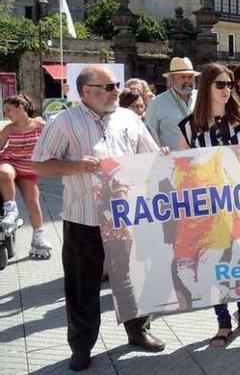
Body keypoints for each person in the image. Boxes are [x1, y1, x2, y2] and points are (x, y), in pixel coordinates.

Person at [31, 66, 166, 371]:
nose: (116, 90)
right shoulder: (64, 122)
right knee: (83, 287)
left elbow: (151, 155)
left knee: (134, 280)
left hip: (127, 215)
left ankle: (138, 332)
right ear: (86, 92)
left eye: (116, 85)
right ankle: (81, 347)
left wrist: (164, 157)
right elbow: (40, 164)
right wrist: (76, 166)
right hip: (85, 218)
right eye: (108, 87)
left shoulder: (129, 118)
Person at [177, 63, 240, 347]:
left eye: (230, 84)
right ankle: (222, 321)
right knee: (215, 263)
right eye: (221, 84)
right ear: (207, 87)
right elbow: (182, 169)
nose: (227, 89)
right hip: (209, 207)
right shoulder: (189, 127)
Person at [0, 94, 51, 258]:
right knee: (4, 172)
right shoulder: (8, 128)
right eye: (4, 111)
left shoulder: (40, 125)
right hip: (11, 162)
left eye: (8, 110)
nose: (6, 114)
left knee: (34, 206)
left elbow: (55, 141)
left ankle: (39, 239)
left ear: (21, 107)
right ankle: (11, 210)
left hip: (29, 170)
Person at [145, 57, 198, 149]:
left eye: (190, 77)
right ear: (171, 80)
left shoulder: (202, 98)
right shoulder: (157, 103)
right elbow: (149, 136)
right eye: (183, 77)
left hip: (203, 159)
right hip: (173, 161)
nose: (188, 81)